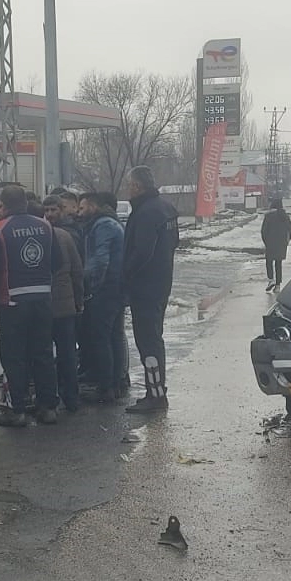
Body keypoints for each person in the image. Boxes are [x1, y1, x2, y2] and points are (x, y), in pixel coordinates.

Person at [0, 185, 59, 427]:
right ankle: (48, 407)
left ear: (4, 204)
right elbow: (56, 262)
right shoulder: (45, 226)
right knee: (43, 353)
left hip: (11, 301)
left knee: (14, 356)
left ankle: (17, 409)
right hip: (42, 298)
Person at [122, 166, 180, 414]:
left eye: (130, 185)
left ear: (137, 186)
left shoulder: (145, 212)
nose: (128, 189)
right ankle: (156, 391)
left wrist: (125, 273)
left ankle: (155, 395)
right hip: (161, 282)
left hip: (145, 286)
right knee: (154, 337)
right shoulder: (166, 208)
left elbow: (142, 251)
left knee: (148, 341)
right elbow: (174, 242)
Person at [80, 192, 127, 404]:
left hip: (106, 289)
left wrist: (91, 286)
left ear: (93, 207)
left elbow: (100, 260)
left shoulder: (102, 226)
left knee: (102, 337)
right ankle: (116, 383)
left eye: (82, 208)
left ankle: (106, 386)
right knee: (114, 335)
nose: (79, 212)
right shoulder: (111, 223)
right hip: (117, 288)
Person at [44, 196, 84, 412]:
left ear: (61, 210)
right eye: (47, 210)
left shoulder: (63, 235)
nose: (50, 214)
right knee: (65, 352)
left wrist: (78, 300)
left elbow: (77, 271)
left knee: (58, 353)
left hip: (55, 304)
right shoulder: (64, 236)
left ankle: (55, 397)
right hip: (62, 305)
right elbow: (77, 271)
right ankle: (70, 397)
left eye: (53, 210)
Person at [261, 197, 291, 292]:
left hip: (270, 242)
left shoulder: (268, 216)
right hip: (281, 243)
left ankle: (271, 279)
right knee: (278, 263)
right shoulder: (285, 216)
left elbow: (263, 231)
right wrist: (286, 240)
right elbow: (290, 229)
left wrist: (266, 242)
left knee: (269, 261)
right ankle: (278, 285)